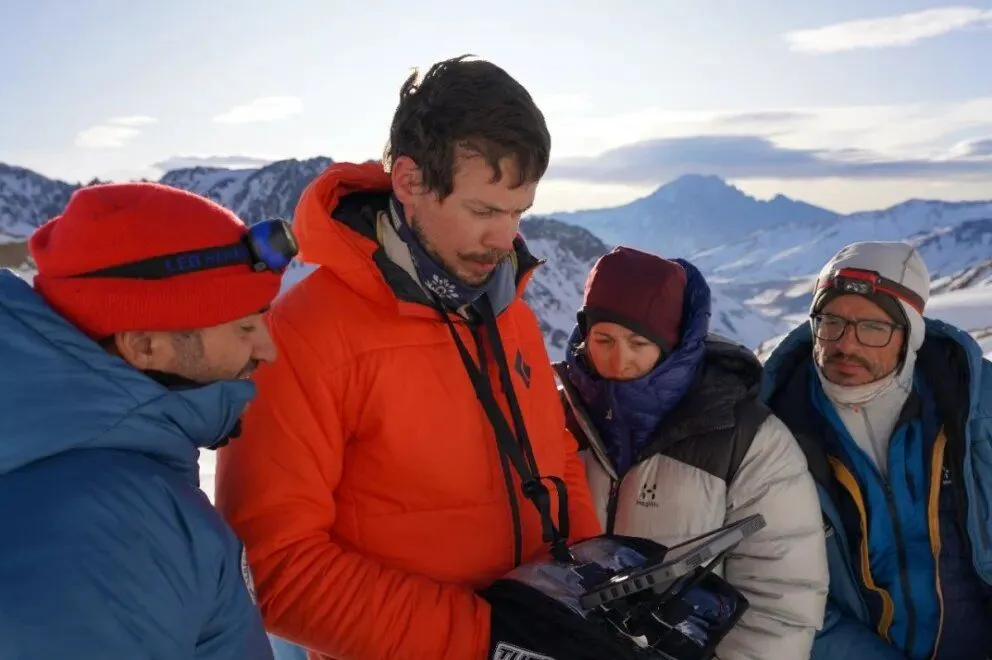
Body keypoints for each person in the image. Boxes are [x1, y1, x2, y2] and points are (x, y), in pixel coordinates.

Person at [214, 54, 603, 660]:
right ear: (409, 182)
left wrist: (593, 585)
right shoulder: (304, 333)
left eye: (518, 213)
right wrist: (489, 640)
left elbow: (557, 461)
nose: (507, 241)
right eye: (484, 211)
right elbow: (276, 568)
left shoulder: (509, 313)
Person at [0, 182, 294, 658]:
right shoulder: (108, 532)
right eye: (243, 327)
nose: (268, 349)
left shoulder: (90, 462)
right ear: (143, 346)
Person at [554, 246, 830, 660]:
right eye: (603, 339)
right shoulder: (553, 420)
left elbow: (781, 599)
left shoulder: (746, 440)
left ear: (672, 344)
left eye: (638, 342)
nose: (619, 359)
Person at [761, 240, 992, 660]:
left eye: (873, 327)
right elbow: (775, 590)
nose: (846, 344)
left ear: (909, 336)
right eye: (831, 322)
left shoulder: (975, 409)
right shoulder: (773, 430)